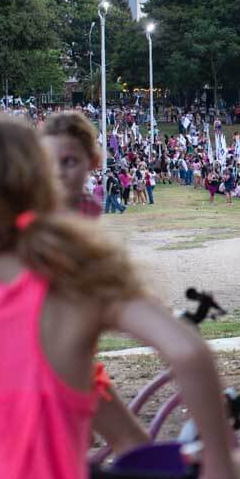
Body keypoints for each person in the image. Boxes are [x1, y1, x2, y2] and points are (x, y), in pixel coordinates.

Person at [0, 114, 240, 479]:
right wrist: (221, 466)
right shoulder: (80, 284)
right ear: (44, 191)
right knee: (131, 445)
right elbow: (187, 351)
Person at [42, 112, 151, 456]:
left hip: (76, 337)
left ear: (92, 162)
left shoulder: (89, 205)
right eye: (49, 162)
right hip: (46, 343)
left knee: (88, 437)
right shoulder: (34, 214)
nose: (58, 171)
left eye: (70, 161)